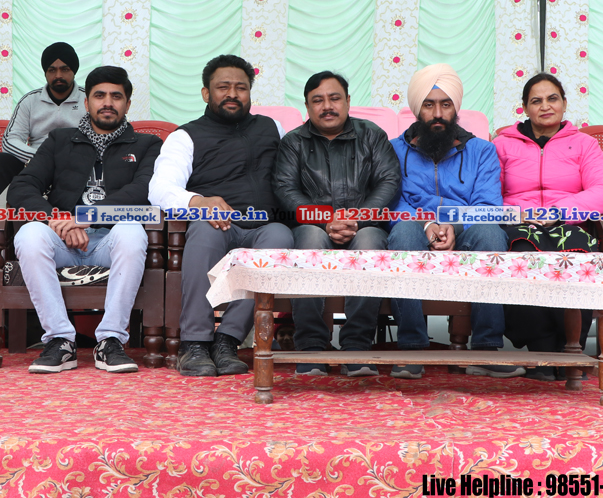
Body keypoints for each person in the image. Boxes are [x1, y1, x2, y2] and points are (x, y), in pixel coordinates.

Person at [8, 66, 162, 375]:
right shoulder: (60, 140)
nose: (108, 103)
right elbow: (22, 187)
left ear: (128, 104)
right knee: (29, 235)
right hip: (63, 240)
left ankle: (111, 341)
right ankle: (60, 341)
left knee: (132, 232)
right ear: (87, 102)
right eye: (99, 95)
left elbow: (143, 191)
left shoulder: (147, 145)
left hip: (110, 243)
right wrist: (58, 219)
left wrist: (86, 217)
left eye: (116, 96)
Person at [149, 54, 294, 377]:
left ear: (250, 93)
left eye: (241, 87)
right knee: (205, 233)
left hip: (264, 224)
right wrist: (199, 201)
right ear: (206, 93)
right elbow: (159, 188)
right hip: (215, 223)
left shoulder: (272, 129)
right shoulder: (186, 136)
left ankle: (228, 340)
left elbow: (294, 177)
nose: (232, 94)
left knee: (280, 236)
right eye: (223, 87)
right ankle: (195, 343)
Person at [387, 64, 522, 378]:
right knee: (403, 235)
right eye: (429, 105)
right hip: (415, 226)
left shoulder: (482, 151)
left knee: (491, 235)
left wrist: (454, 225)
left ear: (456, 108)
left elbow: (487, 206)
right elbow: (394, 201)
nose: (437, 114)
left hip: (466, 228)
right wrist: (427, 224)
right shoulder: (393, 150)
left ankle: (486, 349)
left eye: (445, 105)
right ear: (416, 109)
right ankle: (410, 348)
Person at [272, 71, 400, 377]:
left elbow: (389, 181)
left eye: (334, 98)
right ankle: (311, 346)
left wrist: (357, 218)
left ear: (348, 101)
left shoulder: (372, 135)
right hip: (312, 225)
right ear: (307, 106)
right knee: (309, 240)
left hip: (364, 225)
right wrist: (325, 219)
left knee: (371, 243)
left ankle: (357, 345)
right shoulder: (293, 142)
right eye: (318, 100)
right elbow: (285, 189)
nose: (327, 106)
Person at [493, 73, 603, 379]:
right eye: (536, 101)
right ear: (525, 108)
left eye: (552, 99)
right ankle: (541, 347)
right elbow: (487, 193)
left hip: (566, 221)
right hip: (519, 223)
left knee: (577, 254)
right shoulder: (502, 145)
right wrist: (518, 214)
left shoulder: (584, 144)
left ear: (564, 103)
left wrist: (559, 212)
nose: (545, 106)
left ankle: (570, 348)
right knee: (519, 254)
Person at [0, 42, 86, 210]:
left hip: (76, 164)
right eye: (52, 70)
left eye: (65, 69)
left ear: (74, 71)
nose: (58, 75)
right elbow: (10, 140)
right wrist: (40, 158)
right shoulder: (30, 100)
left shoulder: (88, 99)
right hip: (35, 162)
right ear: (45, 72)